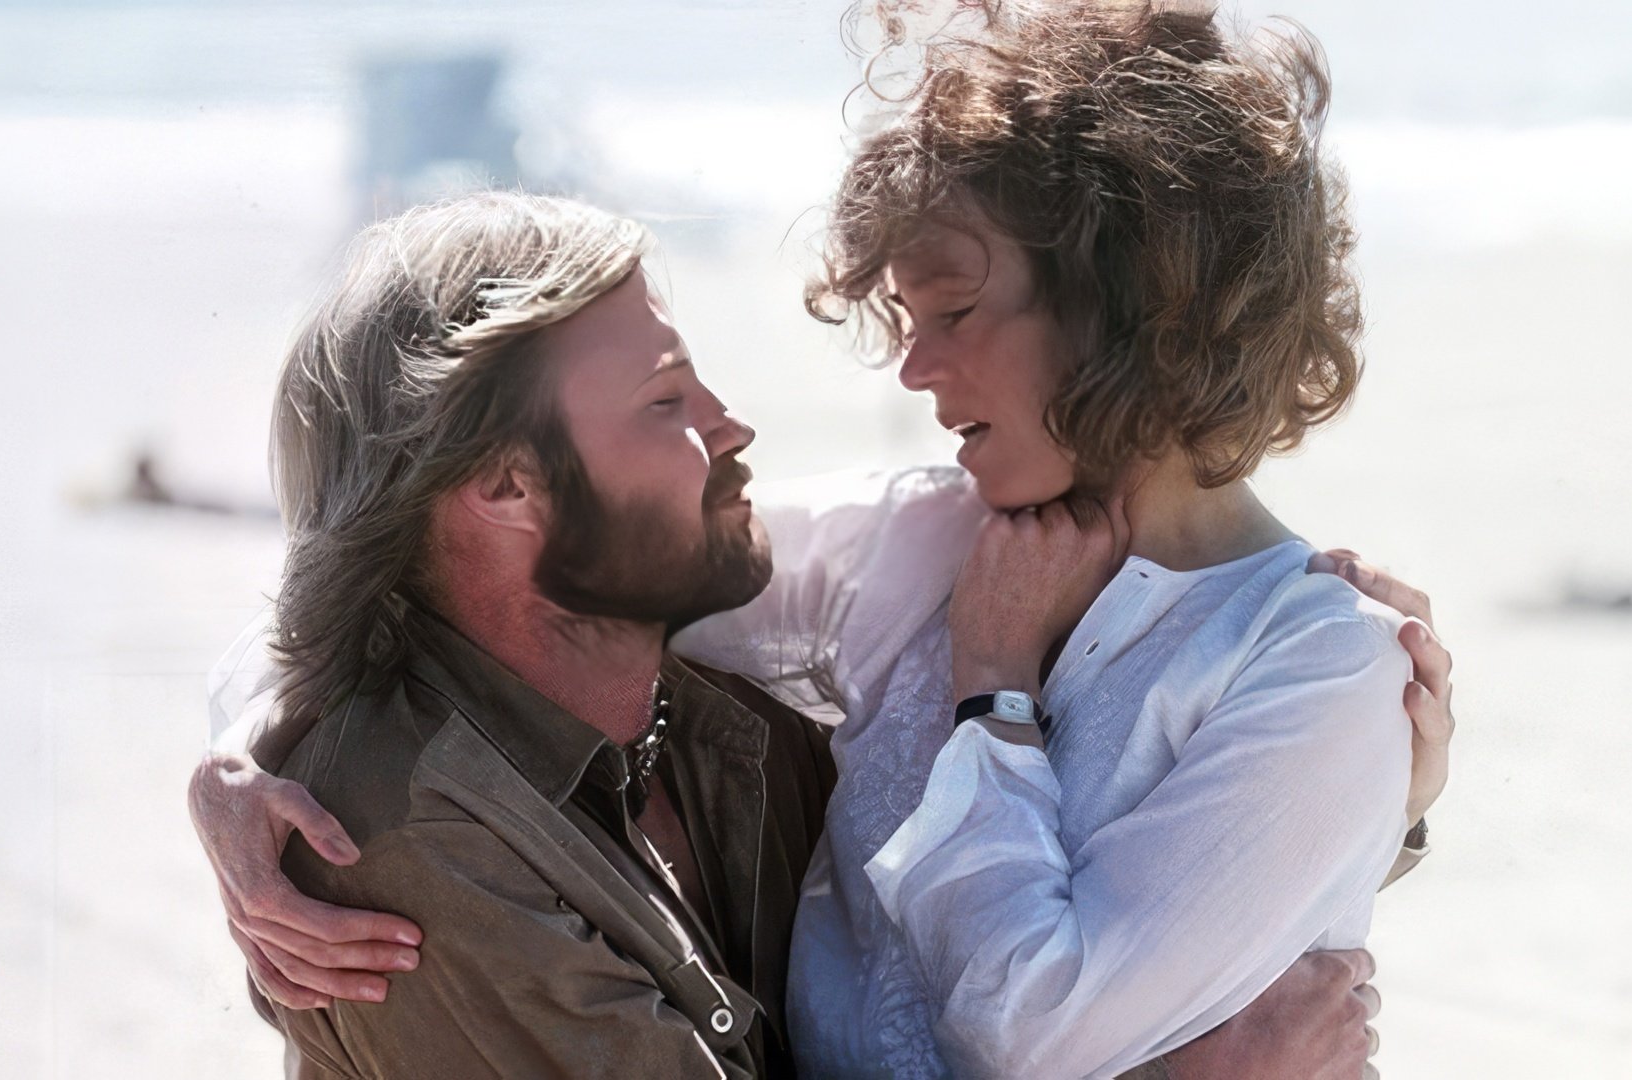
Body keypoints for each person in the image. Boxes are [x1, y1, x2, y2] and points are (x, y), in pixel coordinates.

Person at [192, 190, 1443, 1078]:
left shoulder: (729, 722)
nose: (734, 424)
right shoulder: (407, 850)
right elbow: (371, 608)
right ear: (510, 485)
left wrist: (1359, 800)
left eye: (956, 310)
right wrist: (253, 755)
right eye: (667, 399)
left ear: (1124, 313)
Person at [667, 3, 1455, 1075]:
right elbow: (604, 582)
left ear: (1129, 303)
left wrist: (993, 691)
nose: (913, 369)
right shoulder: (918, 537)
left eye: (954, 312)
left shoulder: (1316, 661)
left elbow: (1030, 1033)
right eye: (908, 322)